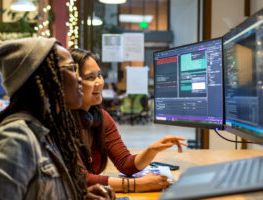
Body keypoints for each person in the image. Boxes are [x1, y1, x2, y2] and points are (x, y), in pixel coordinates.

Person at [0, 38, 115, 200]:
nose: (78, 79)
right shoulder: (15, 138)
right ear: (43, 79)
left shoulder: (50, 132)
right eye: (70, 68)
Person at [70, 48, 187, 193]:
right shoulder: (61, 123)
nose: (99, 82)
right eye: (90, 77)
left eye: (99, 75)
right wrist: (137, 185)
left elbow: (126, 165)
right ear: (72, 83)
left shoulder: (101, 118)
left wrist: (152, 150)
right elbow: (80, 178)